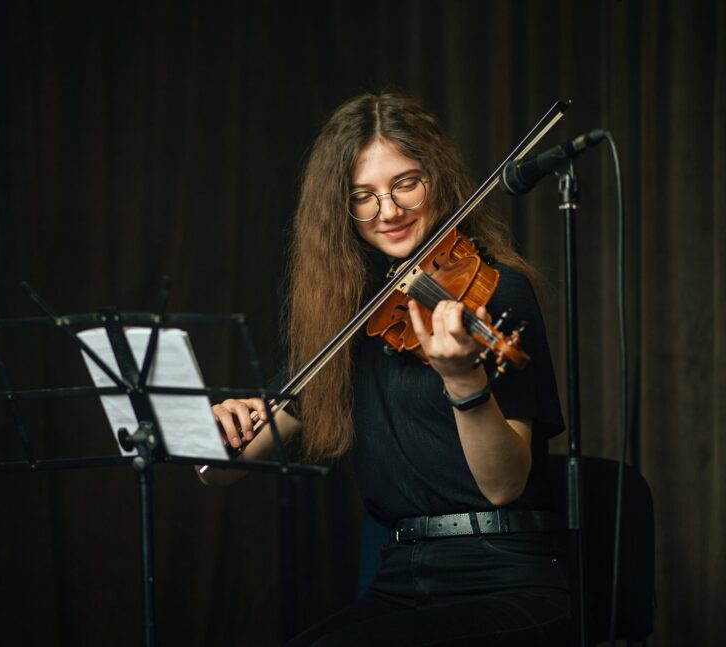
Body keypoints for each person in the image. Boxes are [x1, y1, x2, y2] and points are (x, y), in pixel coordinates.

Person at [199, 91, 570, 645]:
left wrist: (465, 380)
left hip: (506, 575)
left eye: (405, 184)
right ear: (339, 209)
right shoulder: (351, 313)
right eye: (362, 197)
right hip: (401, 576)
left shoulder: (496, 290)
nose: (388, 212)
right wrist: (217, 434)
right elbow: (228, 464)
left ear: (437, 178)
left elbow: (504, 485)